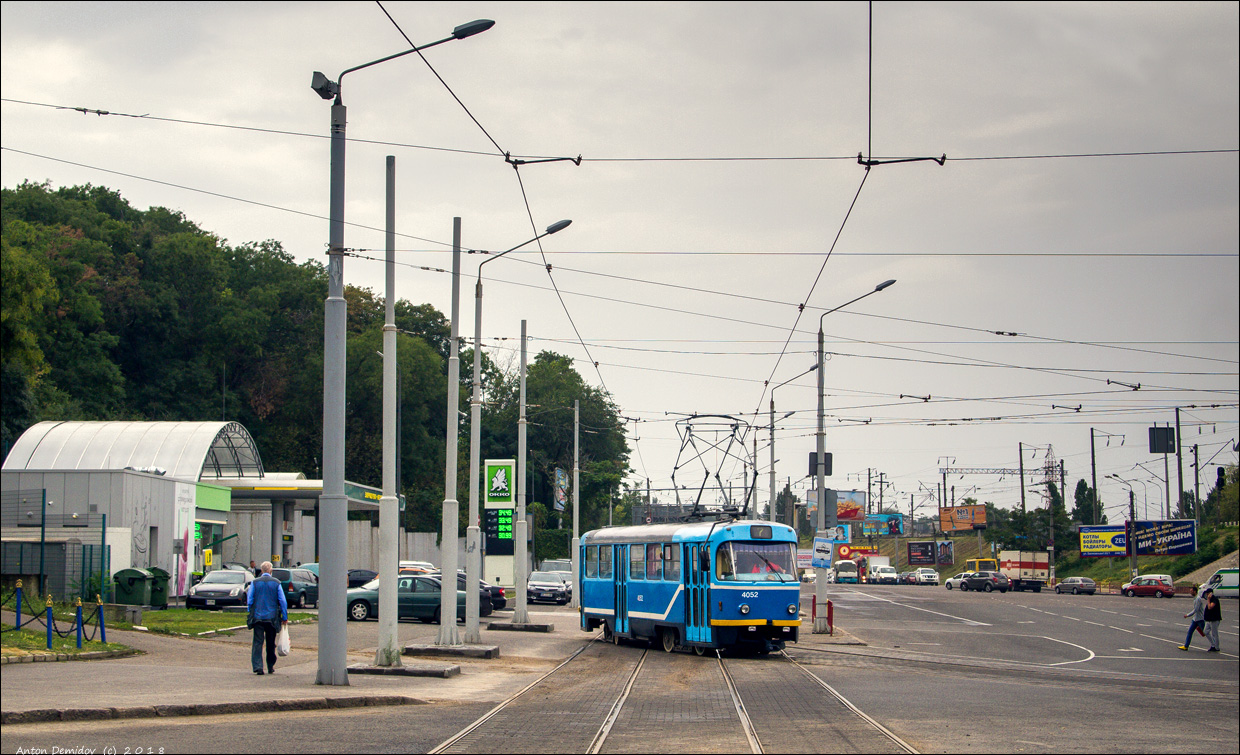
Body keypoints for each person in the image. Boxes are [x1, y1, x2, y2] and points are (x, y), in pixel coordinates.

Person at [248, 561, 288, 675]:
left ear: (261, 571)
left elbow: (250, 599)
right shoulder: (276, 583)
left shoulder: (255, 583)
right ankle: (270, 665)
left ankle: (258, 666)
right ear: (271, 571)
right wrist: (284, 616)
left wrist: (250, 611)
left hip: (258, 617)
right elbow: (282, 601)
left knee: (257, 642)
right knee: (271, 642)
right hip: (271, 618)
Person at [1179, 585, 1208, 651]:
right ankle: (1186, 646)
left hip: (1200, 619)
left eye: (1191, 591)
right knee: (1190, 632)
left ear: (1195, 591)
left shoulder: (1198, 599)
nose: (1190, 592)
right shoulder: (1195, 598)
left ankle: (1214, 644)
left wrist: (1187, 615)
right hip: (1195, 619)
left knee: (1205, 633)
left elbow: (1196, 610)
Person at [1202, 587, 1222, 652]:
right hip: (1209, 619)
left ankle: (1216, 647)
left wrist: (1208, 599)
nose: (1206, 595)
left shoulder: (1214, 599)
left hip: (1214, 619)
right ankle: (1213, 644)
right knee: (1206, 631)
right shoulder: (1211, 599)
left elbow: (1210, 607)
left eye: (1207, 593)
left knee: (1214, 633)